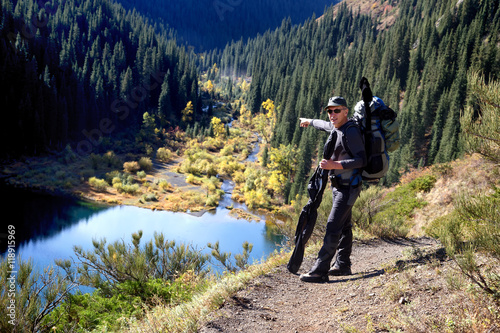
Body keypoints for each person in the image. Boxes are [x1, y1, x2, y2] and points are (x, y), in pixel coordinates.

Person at [298, 96, 366, 283]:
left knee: (332, 226)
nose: (332, 115)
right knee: (344, 226)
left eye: (337, 110)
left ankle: (320, 270)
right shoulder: (337, 127)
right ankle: (343, 264)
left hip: (349, 187)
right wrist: (309, 122)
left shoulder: (350, 131)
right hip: (339, 186)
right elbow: (323, 125)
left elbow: (361, 160)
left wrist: (334, 164)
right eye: (329, 111)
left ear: (346, 111)